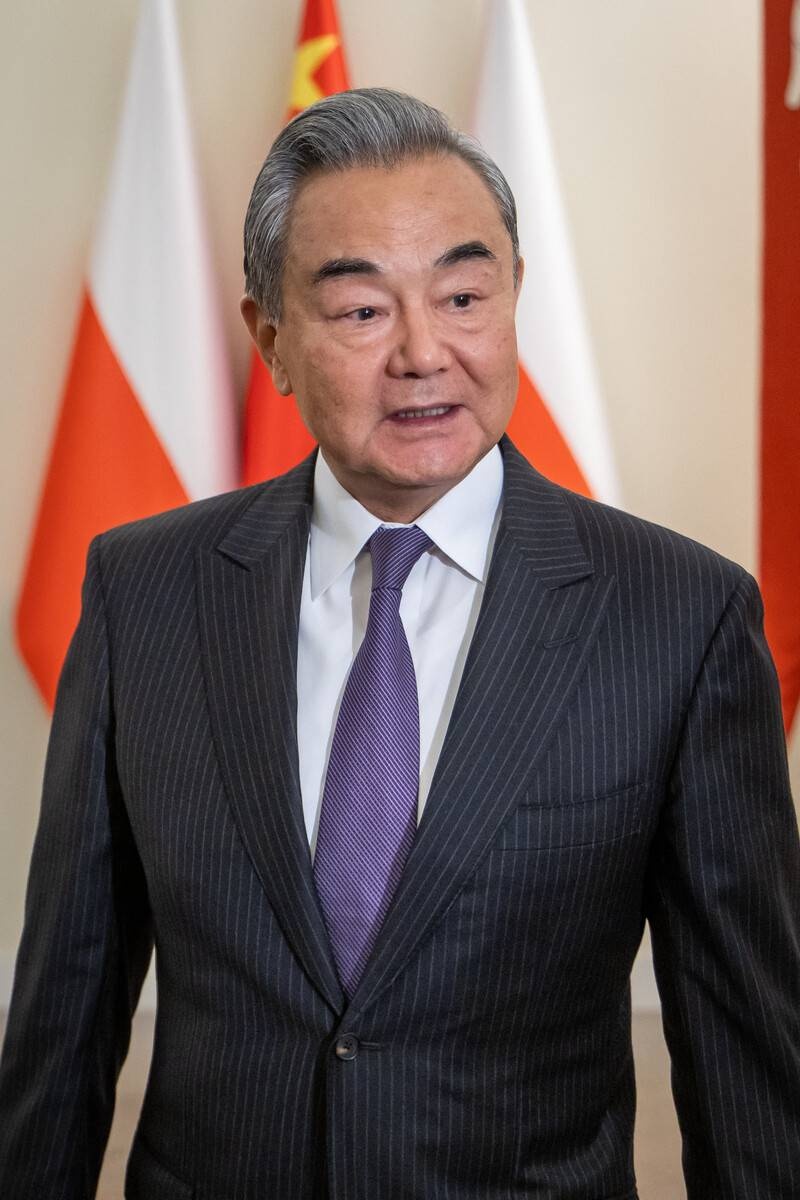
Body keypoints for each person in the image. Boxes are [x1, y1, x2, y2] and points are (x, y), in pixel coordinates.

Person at [0, 87, 798, 1200]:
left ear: (513, 297)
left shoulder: (681, 615)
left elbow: (745, 1064)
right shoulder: (144, 594)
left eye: (464, 295)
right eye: (362, 310)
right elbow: (66, 1010)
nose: (425, 353)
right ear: (271, 340)